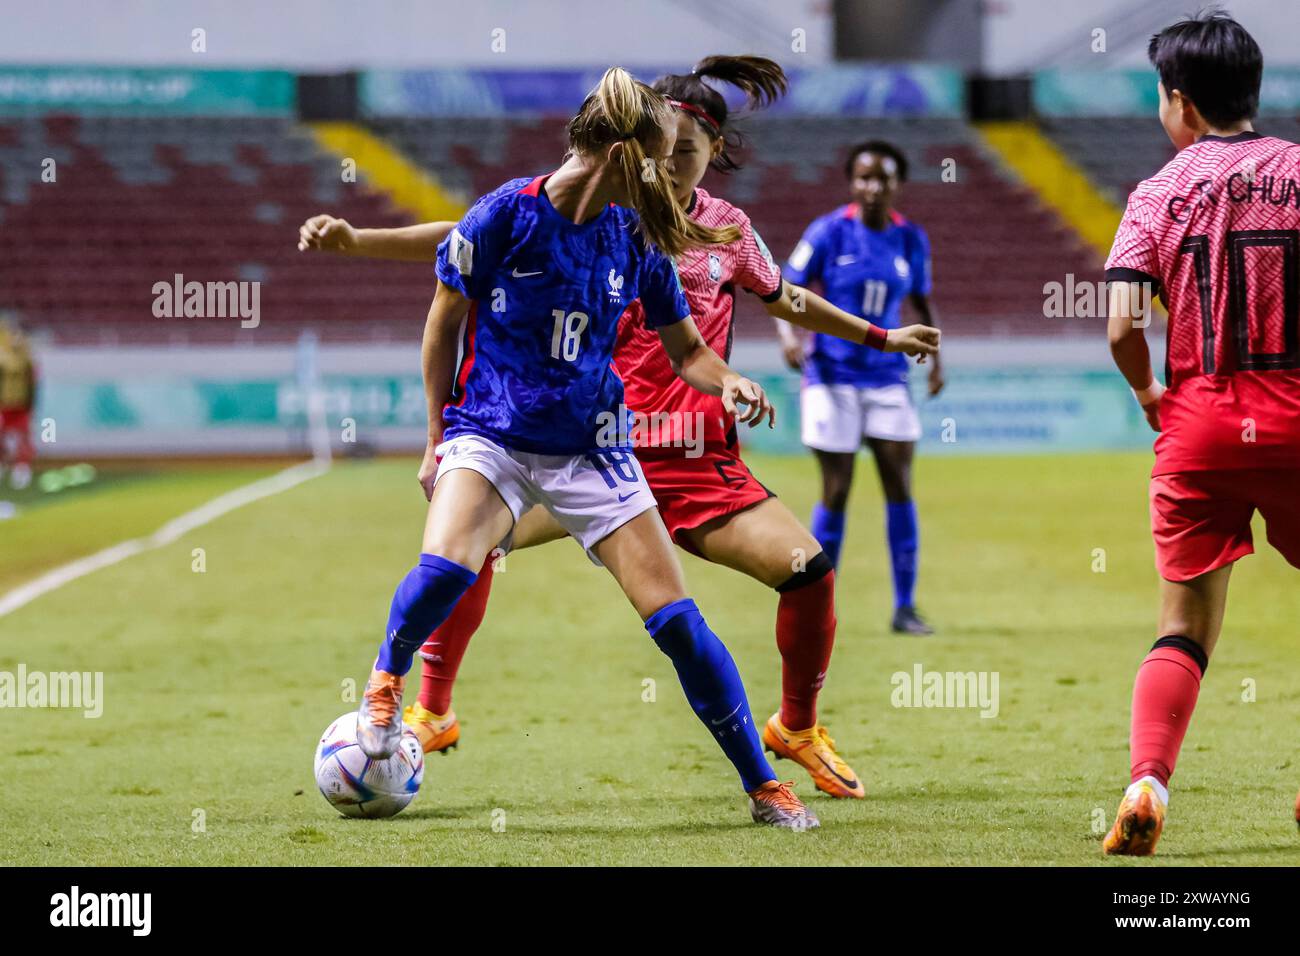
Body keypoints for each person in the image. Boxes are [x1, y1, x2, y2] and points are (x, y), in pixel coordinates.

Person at [299, 57, 940, 801]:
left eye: (682, 153)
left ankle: (791, 731)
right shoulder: (593, 206)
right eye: (657, 148)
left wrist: (879, 338)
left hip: (689, 460)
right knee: (466, 552)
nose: (666, 163)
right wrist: (360, 241)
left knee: (804, 571)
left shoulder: (718, 230)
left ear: (711, 152)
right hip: (584, 438)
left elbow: (784, 300)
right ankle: (432, 708)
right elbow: (469, 236)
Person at [1103, 12, 1300, 855]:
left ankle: (1148, 782)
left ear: (1178, 102)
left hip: (1199, 423)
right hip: (1296, 417)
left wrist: (1150, 389)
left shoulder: (1159, 190)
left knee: (1182, 627)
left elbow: (1118, 324)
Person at [776, 140, 943, 636]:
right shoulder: (828, 231)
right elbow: (784, 289)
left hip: (887, 378)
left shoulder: (910, 238)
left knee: (899, 483)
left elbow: (922, 302)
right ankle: (819, 607)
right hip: (831, 376)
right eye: (864, 178)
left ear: (896, 184)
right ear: (852, 183)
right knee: (838, 488)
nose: (872, 187)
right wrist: (788, 337)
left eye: (883, 178)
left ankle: (905, 606)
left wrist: (938, 359)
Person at [0, 319, 36, 491]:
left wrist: (31, 405)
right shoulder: (2, 358)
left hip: (21, 405)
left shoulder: (27, 359)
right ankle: (2, 463)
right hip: (4, 405)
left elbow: (33, 384)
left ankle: (22, 468)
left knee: (23, 437)